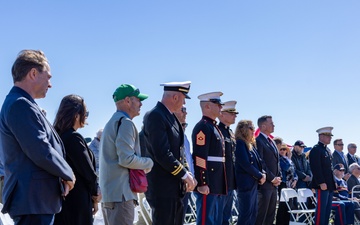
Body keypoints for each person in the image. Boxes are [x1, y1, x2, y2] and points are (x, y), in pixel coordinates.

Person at [0, 50, 75, 225]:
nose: (50, 84)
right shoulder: (20, 104)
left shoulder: (23, 103)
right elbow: (40, 149)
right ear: (33, 73)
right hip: (33, 201)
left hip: (36, 201)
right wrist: (68, 174)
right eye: (48, 77)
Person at [143, 81, 197, 225]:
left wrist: (187, 174)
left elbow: (180, 152)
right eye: (184, 98)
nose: (184, 102)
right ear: (175, 97)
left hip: (175, 187)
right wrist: (184, 174)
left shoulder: (172, 118)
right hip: (162, 188)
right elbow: (162, 153)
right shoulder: (155, 116)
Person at [99, 84, 154, 225]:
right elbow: (126, 159)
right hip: (121, 195)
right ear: (128, 101)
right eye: (138, 100)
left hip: (112, 194)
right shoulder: (126, 123)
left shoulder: (111, 122)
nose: (141, 104)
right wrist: (149, 163)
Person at [53, 94, 101, 225]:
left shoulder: (57, 136)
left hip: (62, 200)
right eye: (85, 113)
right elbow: (88, 171)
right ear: (76, 114)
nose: (86, 117)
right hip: (78, 203)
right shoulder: (74, 138)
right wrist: (96, 194)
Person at [192, 91, 227, 225]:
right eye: (217, 104)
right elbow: (200, 157)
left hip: (216, 181)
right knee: (206, 220)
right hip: (209, 181)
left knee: (215, 219)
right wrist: (202, 182)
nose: (220, 108)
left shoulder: (213, 127)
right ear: (207, 107)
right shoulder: (203, 126)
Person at [234, 120, 266, 225]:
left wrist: (263, 174)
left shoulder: (250, 145)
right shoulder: (240, 143)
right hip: (246, 185)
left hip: (253, 184)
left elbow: (259, 162)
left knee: (253, 214)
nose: (253, 131)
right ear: (243, 129)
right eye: (251, 128)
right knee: (245, 215)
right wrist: (260, 175)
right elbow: (245, 164)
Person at [255, 115, 281, 225]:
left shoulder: (272, 141)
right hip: (265, 185)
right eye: (271, 123)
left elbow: (276, 162)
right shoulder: (258, 141)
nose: (273, 125)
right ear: (263, 126)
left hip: (274, 185)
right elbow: (261, 162)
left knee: (271, 215)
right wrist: (272, 178)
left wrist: (278, 177)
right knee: (262, 215)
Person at [309, 126, 336, 225]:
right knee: (321, 211)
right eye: (327, 135)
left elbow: (329, 169)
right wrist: (321, 182)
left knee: (327, 211)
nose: (330, 138)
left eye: (330, 136)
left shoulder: (327, 150)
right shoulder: (316, 149)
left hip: (328, 185)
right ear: (321, 136)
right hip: (322, 185)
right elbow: (316, 168)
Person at [174, 105, 195, 223]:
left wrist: (192, 177)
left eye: (185, 125)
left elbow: (189, 160)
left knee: (180, 220)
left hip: (187, 184)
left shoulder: (185, 138)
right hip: (176, 183)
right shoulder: (171, 134)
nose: (186, 113)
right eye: (183, 110)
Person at [218, 100, 238, 225]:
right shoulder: (217, 130)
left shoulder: (230, 133)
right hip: (220, 182)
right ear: (221, 114)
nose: (234, 115)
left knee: (226, 217)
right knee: (218, 217)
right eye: (231, 113)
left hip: (230, 181)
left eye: (235, 113)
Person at [276, 143, 298, 225]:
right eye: (281, 149)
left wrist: (295, 180)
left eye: (284, 149)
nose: (282, 151)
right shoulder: (279, 159)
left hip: (291, 185)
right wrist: (288, 158)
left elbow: (294, 172)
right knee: (282, 206)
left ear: (287, 150)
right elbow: (284, 168)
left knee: (289, 206)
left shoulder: (290, 160)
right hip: (283, 184)